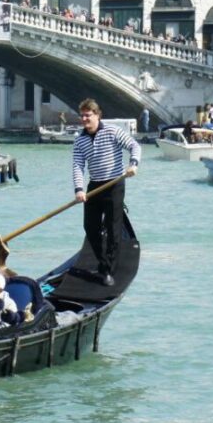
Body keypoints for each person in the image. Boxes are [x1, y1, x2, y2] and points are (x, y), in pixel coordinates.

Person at [71, 98, 140, 287]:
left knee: (112, 227)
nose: (85, 118)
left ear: (97, 115)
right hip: (94, 186)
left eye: (88, 115)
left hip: (115, 184)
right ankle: (102, 260)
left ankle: (108, 269)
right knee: (90, 226)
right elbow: (78, 166)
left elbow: (134, 146)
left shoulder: (113, 131)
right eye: (82, 115)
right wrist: (79, 189)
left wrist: (133, 164)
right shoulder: (80, 140)